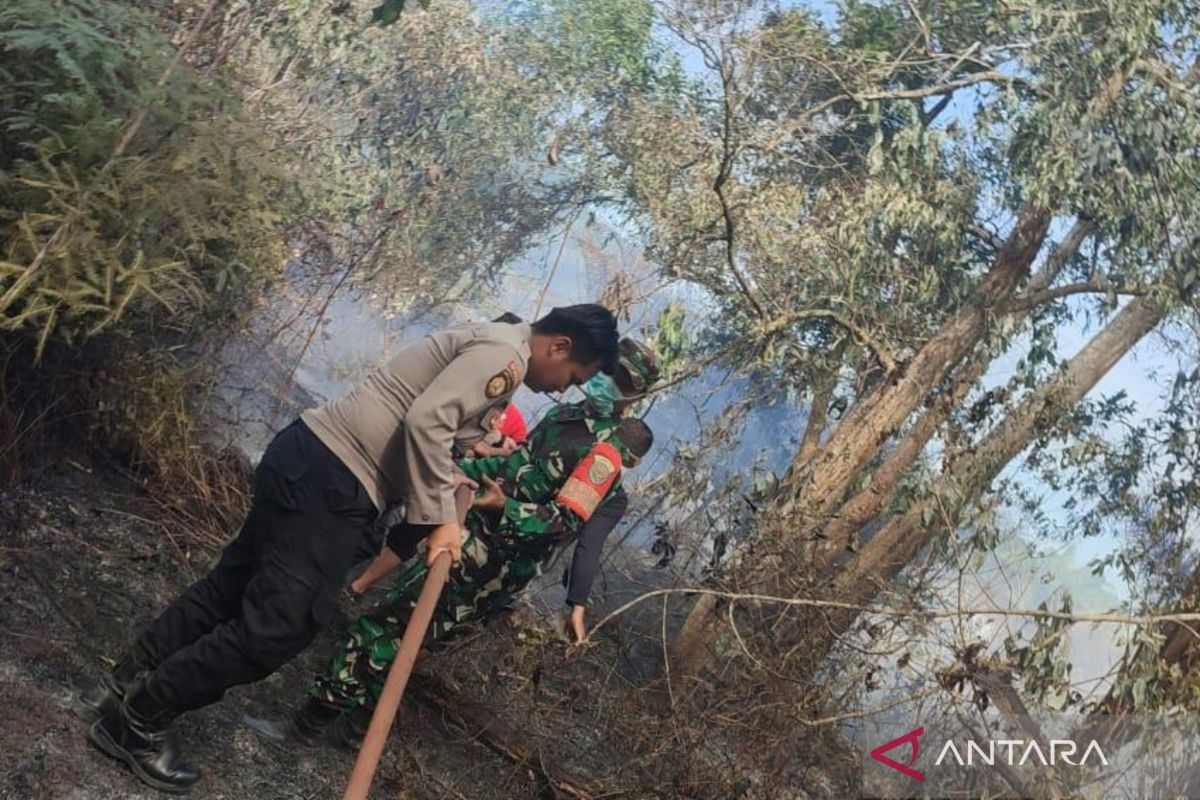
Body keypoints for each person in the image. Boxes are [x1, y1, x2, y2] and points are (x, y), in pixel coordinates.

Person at [77, 305, 620, 794]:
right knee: (280, 626)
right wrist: (440, 522)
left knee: (231, 586)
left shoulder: (496, 337)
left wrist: (444, 488)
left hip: (310, 452)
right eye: (573, 377)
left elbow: (438, 428)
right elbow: (426, 421)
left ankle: (125, 681)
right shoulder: (506, 356)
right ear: (560, 346)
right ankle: (138, 721)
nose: (560, 390)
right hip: (336, 478)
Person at [289, 412, 655, 748]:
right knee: (419, 641)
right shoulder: (592, 458)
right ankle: (355, 729)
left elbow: (560, 523)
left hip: (477, 555)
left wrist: (499, 504)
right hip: (499, 573)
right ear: (635, 461)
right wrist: (577, 605)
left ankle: (313, 721)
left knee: (387, 626)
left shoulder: (590, 450)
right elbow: (584, 545)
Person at [346, 337, 660, 640]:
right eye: (608, 368)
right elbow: (511, 466)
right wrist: (452, 470)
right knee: (386, 623)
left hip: (495, 564)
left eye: (622, 380)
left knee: (399, 637)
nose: (609, 380)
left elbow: (563, 524)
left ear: (636, 397)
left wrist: (503, 507)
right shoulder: (564, 415)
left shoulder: (605, 452)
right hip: (468, 534)